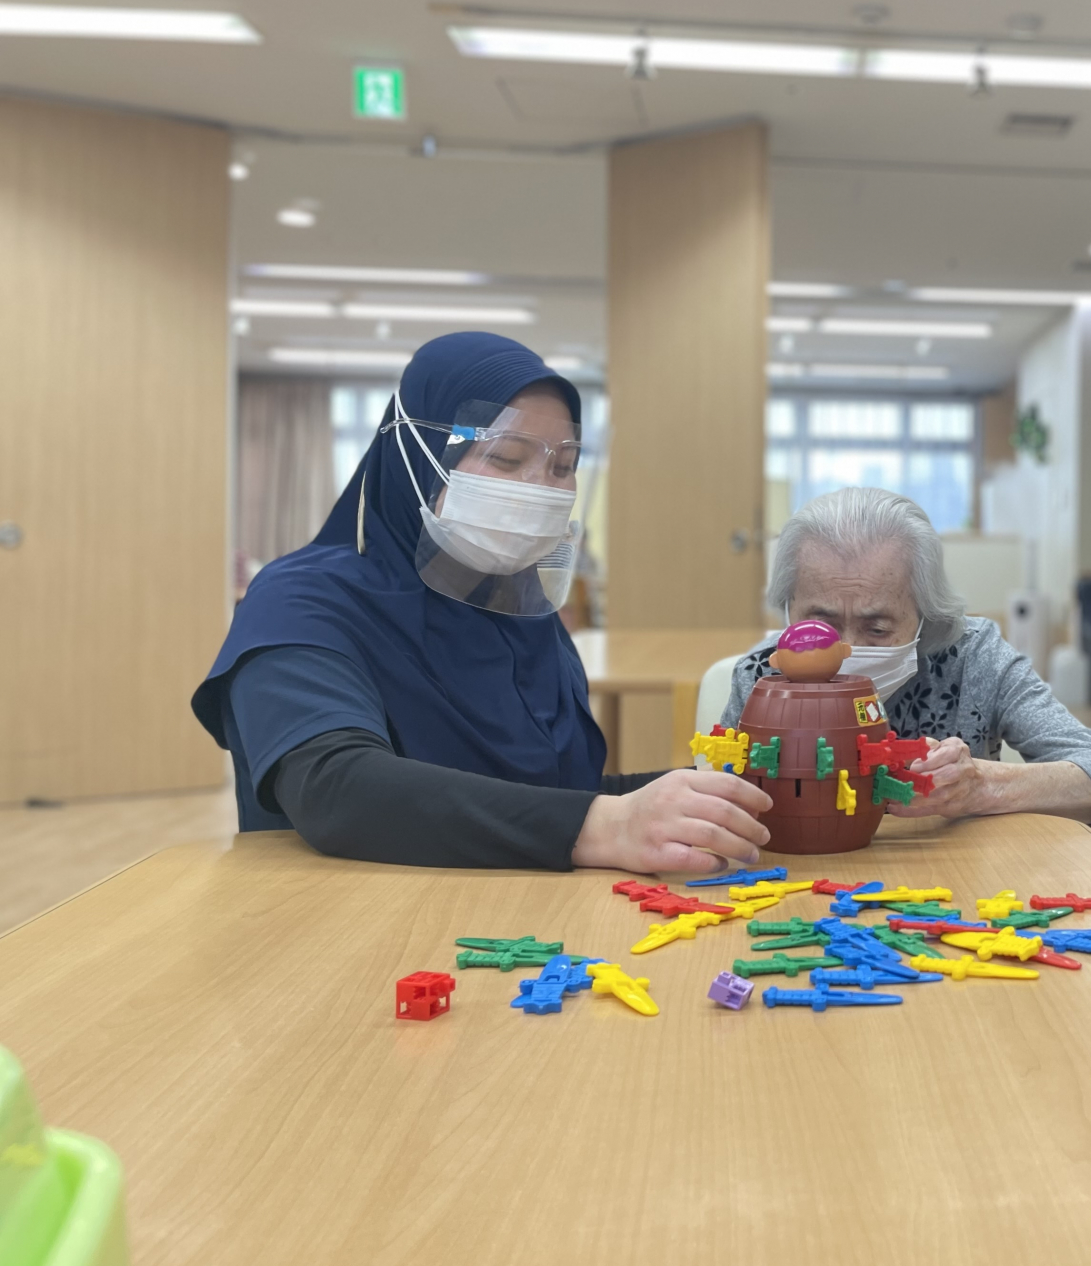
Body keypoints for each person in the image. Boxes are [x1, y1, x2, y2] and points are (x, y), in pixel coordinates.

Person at [192, 332, 772, 875]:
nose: (542, 487)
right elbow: (334, 788)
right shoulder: (302, 601)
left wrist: (730, 795)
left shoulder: (524, 617)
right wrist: (605, 824)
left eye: (563, 467)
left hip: (520, 926)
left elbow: (544, 804)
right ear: (419, 455)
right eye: (507, 458)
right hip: (354, 924)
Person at [721, 487, 1091, 835]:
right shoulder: (762, 675)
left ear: (925, 614)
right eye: (821, 626)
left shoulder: (976, 659)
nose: (846, 648)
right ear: (788, 608)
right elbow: (722, 798)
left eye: (877, 628)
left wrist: (982, 786)